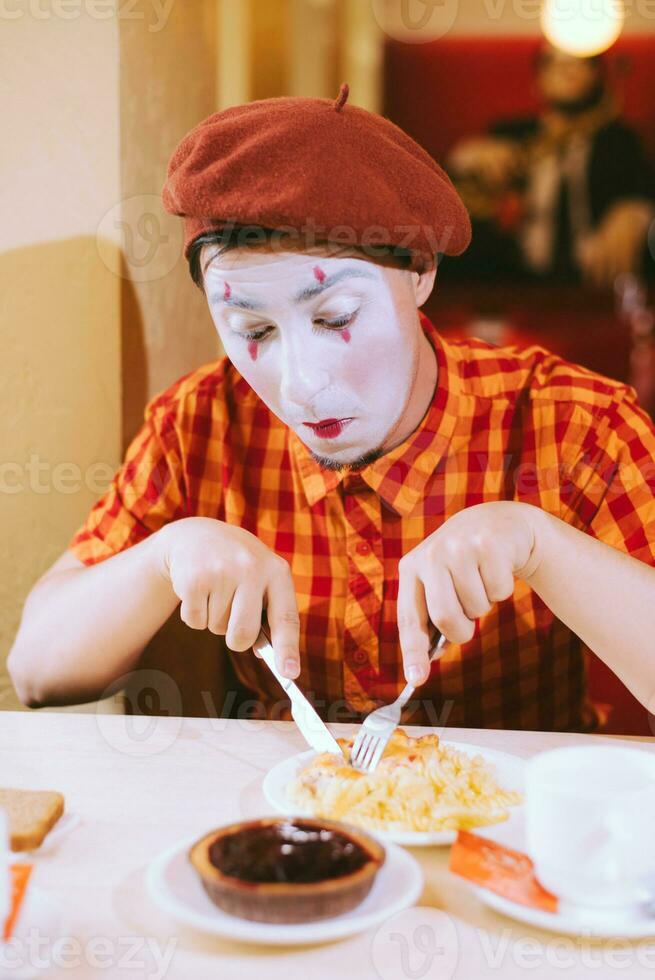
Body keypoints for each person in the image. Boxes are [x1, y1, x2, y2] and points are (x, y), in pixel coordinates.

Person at [8, 84, 655, 732]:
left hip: (516, 819)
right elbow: (35, 672)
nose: (302, 382)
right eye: (252, 330)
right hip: (288, 807)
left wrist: (539, 544)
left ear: (420, 271)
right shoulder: (200, 421)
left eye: (334, 316)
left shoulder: (571, 422)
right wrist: (162, 558)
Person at [443, 43, 655, 286]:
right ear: (537, 83)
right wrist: (470, 154)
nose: (567, 70)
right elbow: (451, 178)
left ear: (597, 76)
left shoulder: (620, 141)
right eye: (555, 63)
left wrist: (635, 212)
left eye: (580, 62)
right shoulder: (508, 134)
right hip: (512, 284)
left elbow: (644, 188)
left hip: (595, 287)